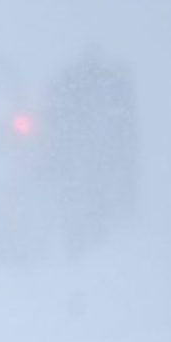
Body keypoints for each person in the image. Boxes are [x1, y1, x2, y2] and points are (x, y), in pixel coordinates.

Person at [43, 49, 138, 254]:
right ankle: (87, 244)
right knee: (88, 197)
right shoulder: (105, 99)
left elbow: (55, 119)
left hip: (78, 160)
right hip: (87, 160)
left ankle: (83, 244)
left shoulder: (70, 92)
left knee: (80, 198)